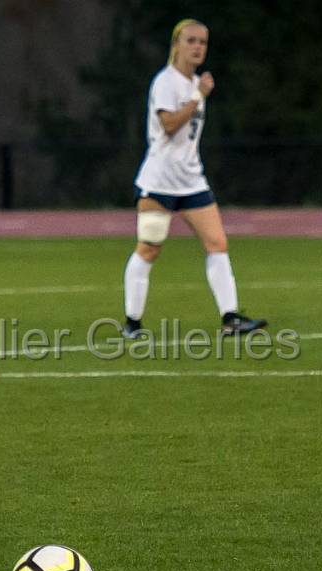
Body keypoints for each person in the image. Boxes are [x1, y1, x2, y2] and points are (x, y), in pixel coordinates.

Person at [123, 18, 267, 339]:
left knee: (217, 244)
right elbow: (170, 125)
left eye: (202, 42)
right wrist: (198, 97)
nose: (198, 47)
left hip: (191, 181)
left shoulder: (194, 84)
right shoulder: (166, 82)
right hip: (159, 181)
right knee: (149, 249)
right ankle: (132, 323)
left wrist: (198, 93)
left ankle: (230, 318)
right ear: (176, 45)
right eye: (191, 40)